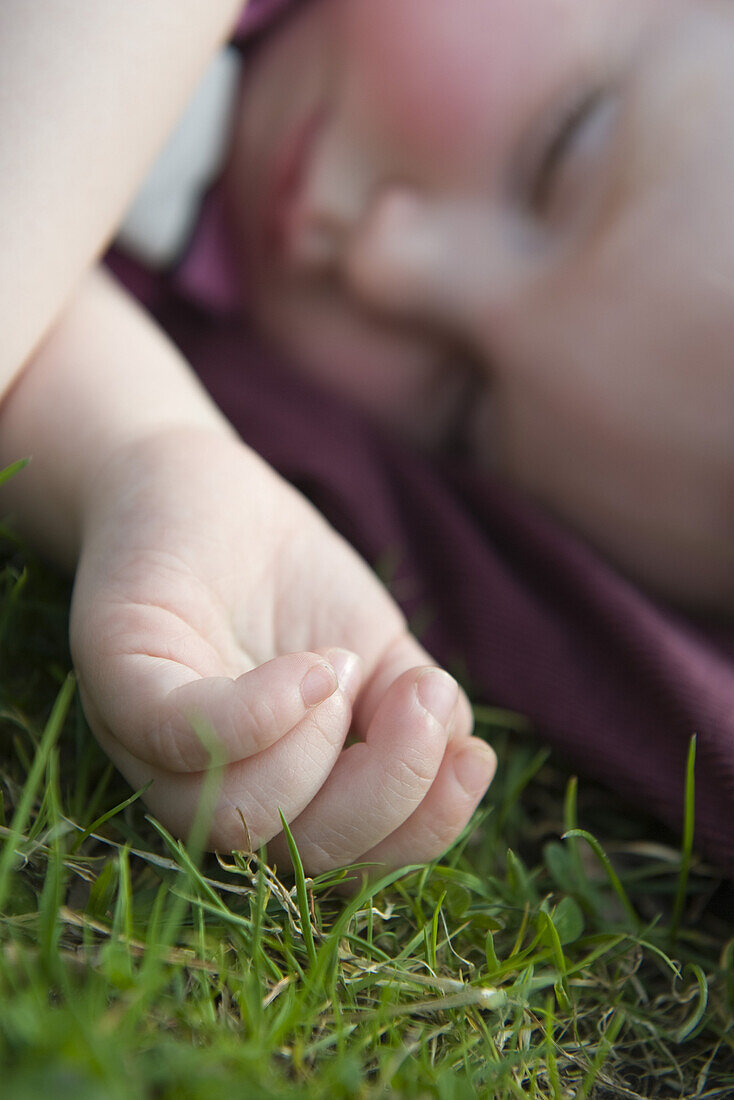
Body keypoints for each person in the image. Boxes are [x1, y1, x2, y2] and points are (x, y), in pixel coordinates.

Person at [3, 0, 734, 874]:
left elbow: (52, 305)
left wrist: (151, 453)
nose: (387, 262)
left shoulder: (200, 284)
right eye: (558, 153)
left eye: (464, 406)